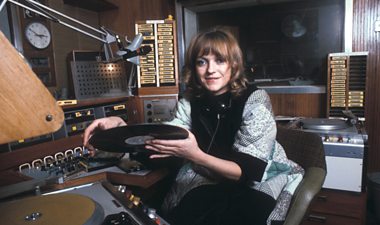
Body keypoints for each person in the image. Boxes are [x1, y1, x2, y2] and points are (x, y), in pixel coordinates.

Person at [83, 27, 303, 225]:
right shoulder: (190, 100)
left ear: (233, 64)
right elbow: (165, 139)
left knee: (249, 213)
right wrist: (123, 128)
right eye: (202, 61)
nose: (210, 70)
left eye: (220, 60)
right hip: (210, 171)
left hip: (256, 176)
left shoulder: (254, 99)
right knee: (189, 212)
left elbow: (245, 173)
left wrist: (195, 155)